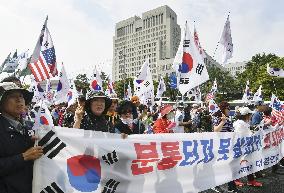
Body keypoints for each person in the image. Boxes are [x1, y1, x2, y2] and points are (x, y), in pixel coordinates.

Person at [0, 82, 43, 193]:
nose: (19, 100)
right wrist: (23, 157)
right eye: (12, 96)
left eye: (21, 96)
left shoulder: (30, 126)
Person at [211, 101, 242, 193]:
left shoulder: (226, 117)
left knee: (228, 165)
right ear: (224, 109)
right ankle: (223, 186)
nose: (229, 110)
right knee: (224, 166)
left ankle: (231, 186)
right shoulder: (218, 117)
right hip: (221, 145)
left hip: (228, 145)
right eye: (228, 108)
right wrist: (223, 122)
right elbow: (216, 130)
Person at [233, 107, 263, 187]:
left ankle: (250, 180)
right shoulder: (240, 125)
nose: (251, 116)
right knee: (241, 163)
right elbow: (242, 136)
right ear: (246, 115)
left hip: (245, 147)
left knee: (247, 163)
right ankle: (237, 180)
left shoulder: (242, 123)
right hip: (242, 147)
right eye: (250, 115)